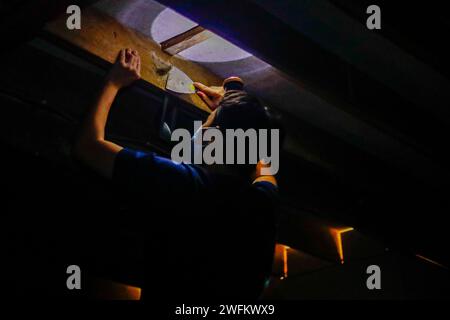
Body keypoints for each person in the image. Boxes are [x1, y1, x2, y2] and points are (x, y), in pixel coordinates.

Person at [74, 48, 280, 300]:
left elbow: (89, 146)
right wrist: (233, 115)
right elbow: (266, 169)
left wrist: (113, 81)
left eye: (205, 126)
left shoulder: (184, 183)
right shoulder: (261, 203)